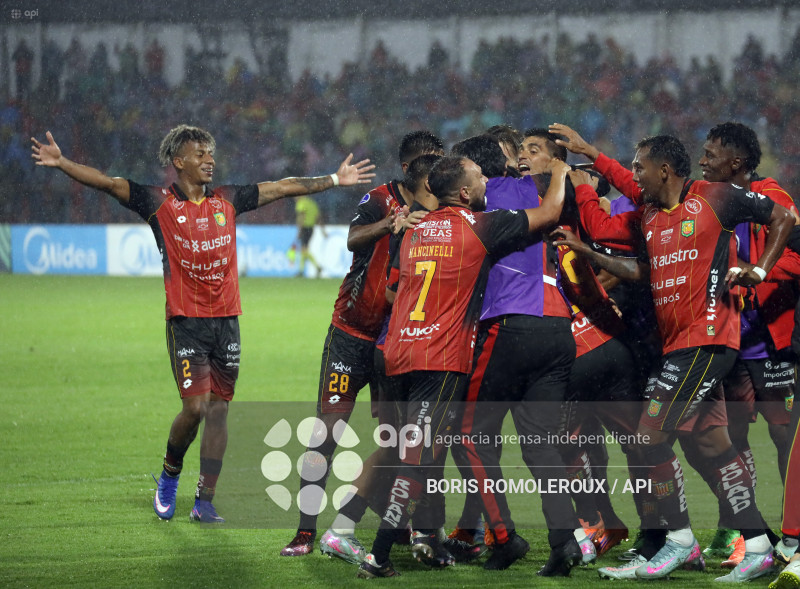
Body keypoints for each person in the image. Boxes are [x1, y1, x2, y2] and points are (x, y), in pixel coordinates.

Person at [30, 125, 375, 523]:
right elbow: (108, 184)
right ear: (178, 162)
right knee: (194, 408)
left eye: (211, 153)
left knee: (219, 412)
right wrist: (61, 163)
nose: (209, 160)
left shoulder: (228, 199)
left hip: (227, 322)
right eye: (199, 154)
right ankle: (169, 476)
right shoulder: (156, 202)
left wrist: (334, 179)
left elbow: (283, 187)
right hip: (186, 322)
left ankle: (204, 500)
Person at [552, 133, 794, 582]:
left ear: (663, 170)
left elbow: (783, 214)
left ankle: (679, 540)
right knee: (713, 446)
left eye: (639, 167)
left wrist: (759, 271)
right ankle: (759, 546)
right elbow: (644, 271)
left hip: (706, 340)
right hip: (677, 345)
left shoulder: (713, 198)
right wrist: (586, 251)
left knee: (647, 438)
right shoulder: (649, 218)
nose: (635, 175)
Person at [357, 154, 570, 578]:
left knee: (413, 451)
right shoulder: (482, 225)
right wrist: (561, 172)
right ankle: (377, 555)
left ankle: (438, 536)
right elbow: (549, 213)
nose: (487, 178)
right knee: (417, 459)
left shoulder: (413, 229)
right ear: (466, 192)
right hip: (440, 358)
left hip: (399, 353)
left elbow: (392, 291)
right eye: (479, 175)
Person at [281, 130, 444, 556]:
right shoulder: (379, 198)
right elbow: (352, 241)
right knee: (328, 433)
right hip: (351, 334)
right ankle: (304, 531)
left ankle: (396, 525)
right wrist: (392, 224)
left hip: (395, 342)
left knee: (396, 439)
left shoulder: (441, 209)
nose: (438, 170)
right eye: (431, 161)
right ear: (411, 168)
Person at [293, 195, 326, 278]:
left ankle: (317, 267)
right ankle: (301, 271)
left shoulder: (301, 203)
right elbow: (318, 217)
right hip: (311, 229)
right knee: (304, 249)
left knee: (304, 249)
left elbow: (301, 216)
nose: (294, 198)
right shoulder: (312, 203)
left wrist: (299, 230)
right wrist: (322, 230)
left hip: (304, 228)